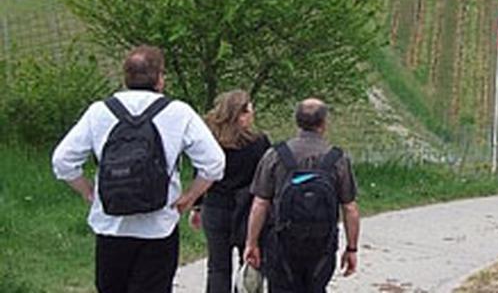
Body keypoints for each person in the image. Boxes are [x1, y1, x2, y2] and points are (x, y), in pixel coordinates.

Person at [51, 45, 225, 293]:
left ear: (126, 77)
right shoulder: (178, 112)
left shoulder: (100, 111)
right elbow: (214, 162)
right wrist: (190, 197)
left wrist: (88, 192)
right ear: (160, 78)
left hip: (110, 225)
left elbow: (62, 160)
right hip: (159, 226)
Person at [243, 98, 360, 293]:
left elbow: (260, 204)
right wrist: (351, 248)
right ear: (323, 124)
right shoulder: (338, 159)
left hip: (282, 242)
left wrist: (252, 243)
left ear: (297, 122)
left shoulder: (275, 155)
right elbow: (350, 208)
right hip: (322, 243)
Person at [190, 89, 271, 293]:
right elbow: (266, 178)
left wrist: (197, 206)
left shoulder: (210, 141)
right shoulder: (258, 142)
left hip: (216, 206)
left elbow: (201, 174)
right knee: (250, 261)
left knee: (217, 266)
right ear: (241, 113)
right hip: (248, 209)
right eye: (250, 111)